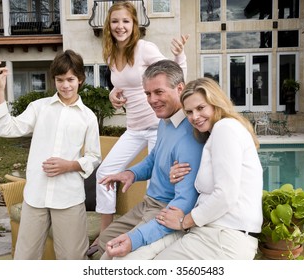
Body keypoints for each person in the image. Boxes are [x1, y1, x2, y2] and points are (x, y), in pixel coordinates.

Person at [92, 1, 189, 253]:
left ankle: (145, 239)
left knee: (154, 188)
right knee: (105, 172)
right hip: (134, 127)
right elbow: (123, 85)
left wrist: (179, 55)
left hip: (158, 126)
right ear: (109, 25)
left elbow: (172, 74)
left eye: (125, 21)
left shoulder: (145, 48)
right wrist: (113, 93)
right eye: (115, 21)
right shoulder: (112, 55)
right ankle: (104, 232)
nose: (120, 26)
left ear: (134, 24)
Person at [0, 50, 101, 260]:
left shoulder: (88, 117)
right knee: (25, 258)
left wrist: (70, 165)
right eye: (60, 80)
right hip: (36, 196)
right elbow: (7, 129)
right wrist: (0, 89)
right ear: (54, 80)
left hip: (69, 197)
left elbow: (94, 156)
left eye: (70, 79)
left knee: (72, 259)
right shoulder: (38, 108)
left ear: (81, 79)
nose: (65, 85)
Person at [97, 59, 204, 259]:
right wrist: (131, 173)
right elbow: (154, 157)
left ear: (180, 88)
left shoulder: (191, 135)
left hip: (164, 209)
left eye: (158, 92)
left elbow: (185, 201)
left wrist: (135, 239)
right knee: (104, 239)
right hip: (148, 202)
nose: (152, 99)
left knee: (111, 254)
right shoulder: (165, 121)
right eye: (148, 93)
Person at [153, 77, 263, 260]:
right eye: (189, 112)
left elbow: (225, 195)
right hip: (215, 234)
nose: (194, 116)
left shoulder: (225, 129)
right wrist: (178, 174)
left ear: (215, 104)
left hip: (224, 239)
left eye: (200, 108)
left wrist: (183, 222)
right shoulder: (217, 133)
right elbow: (212, 182)